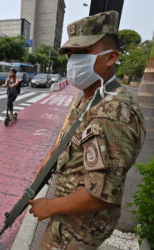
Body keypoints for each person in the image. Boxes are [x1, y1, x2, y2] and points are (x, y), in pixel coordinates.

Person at [27, 11, 146, 249]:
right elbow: (73, 139)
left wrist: (49, 206)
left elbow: (101, 194)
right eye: (70, 54)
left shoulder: (113, 113)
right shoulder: (92, 95)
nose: (73, 61)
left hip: (79, 229)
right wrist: (51, 157)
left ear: (111, 57)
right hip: (67, 213)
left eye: (82, 53)